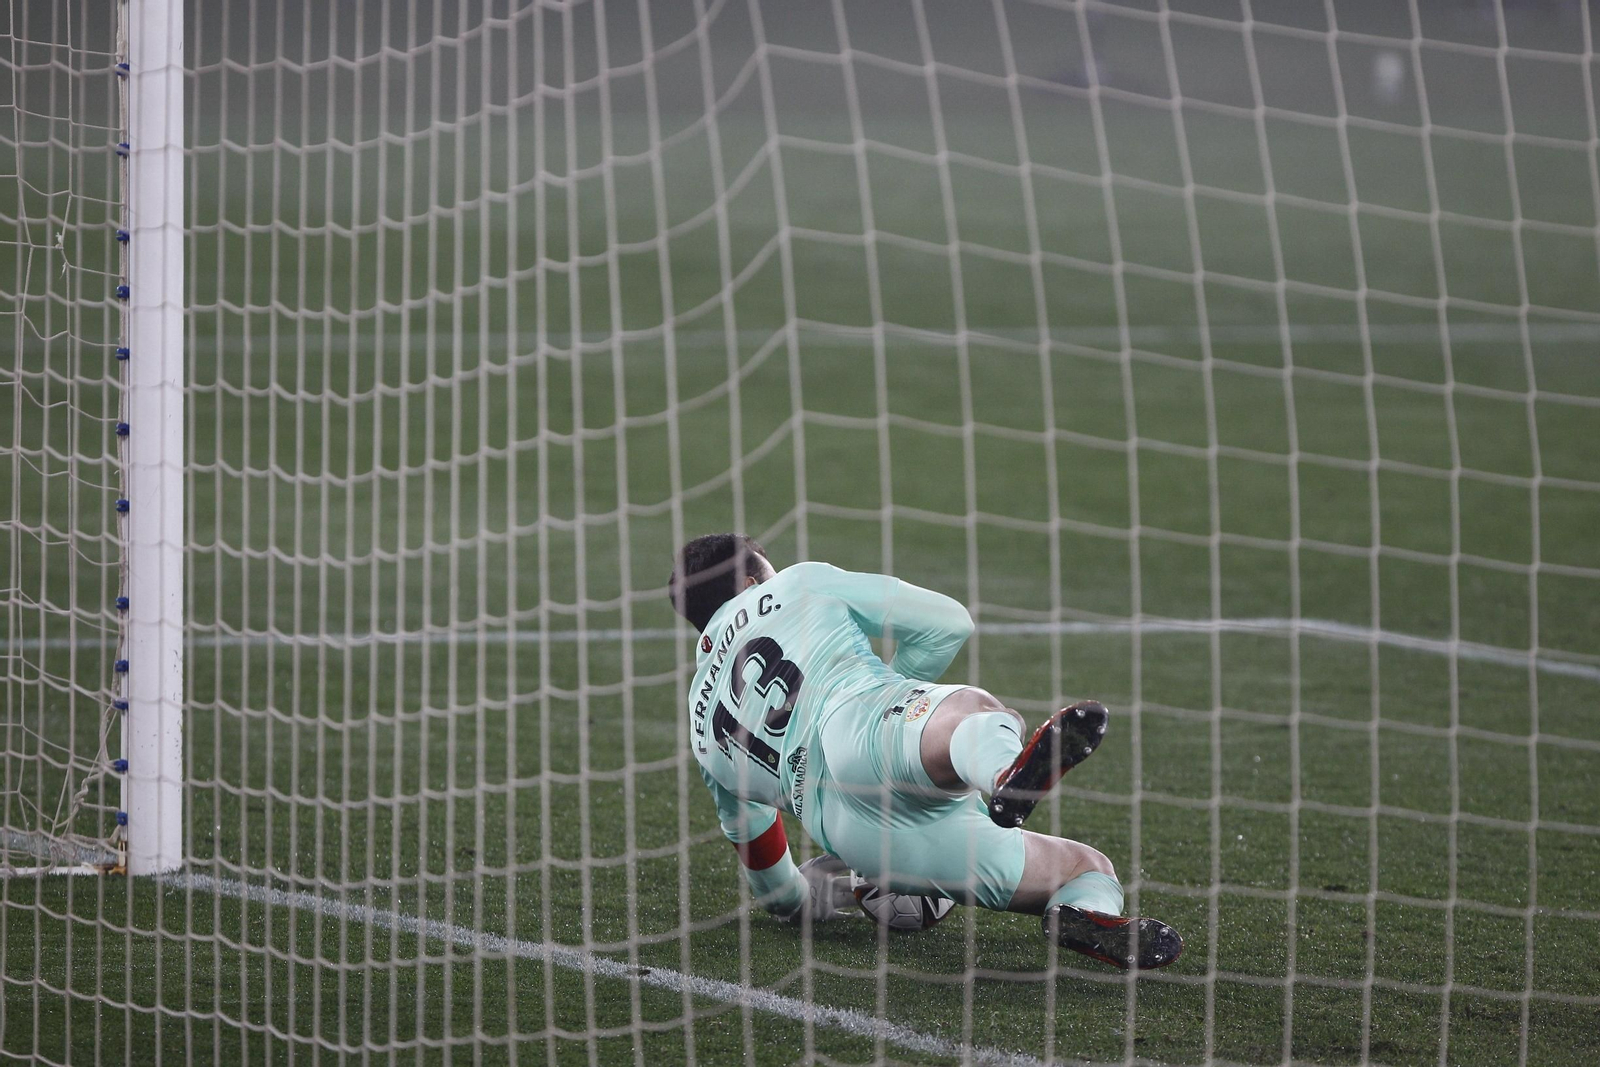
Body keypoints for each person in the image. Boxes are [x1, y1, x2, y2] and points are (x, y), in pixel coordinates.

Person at [669, 533, 1182, 969]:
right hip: (861, 721)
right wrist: (897, 696)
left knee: (1079, 867)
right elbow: (949, 622)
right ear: (752, 582)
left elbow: (765, 862)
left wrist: (817, 894)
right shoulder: (795, 584)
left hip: (854, 836)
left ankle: (1081, 917)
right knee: (972, 710)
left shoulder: (699, 727)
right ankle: (1003, 773)